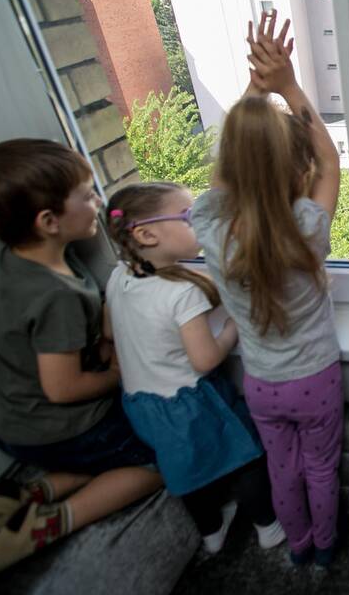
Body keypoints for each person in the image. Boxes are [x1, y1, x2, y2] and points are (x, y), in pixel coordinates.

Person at [0, 139, 162, 586]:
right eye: (87, 195)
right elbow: (62, 389)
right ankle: (48, 524)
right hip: (58, 425)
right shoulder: (54, 296)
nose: (98, 201)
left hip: (18, 423)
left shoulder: (24, 264)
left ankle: (31, 492)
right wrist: (116, 374)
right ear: (48, 222)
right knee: (163, 459)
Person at [191, 12, 343, 567]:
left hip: (262, 384)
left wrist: (258, 88)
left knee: (283, 469)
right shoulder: (307, 229)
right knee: (323, 466)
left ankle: (298, 546)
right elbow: (329, 161)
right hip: (316, 377)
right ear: (294, 170)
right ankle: (325, 550)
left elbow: (234, 163)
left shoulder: (209, 226)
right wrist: (288, 84)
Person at [104, 181, 286, 554]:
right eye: (189, 217)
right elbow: (204, 360)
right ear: (147, 233)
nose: (199, 222)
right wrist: (235, 326)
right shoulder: (181, 294)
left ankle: (211, 532)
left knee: (184, 472)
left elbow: (110, 329)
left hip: (143, 404)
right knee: (246, 455)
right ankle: (267, 527)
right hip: (191, 402)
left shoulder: (120, 275)